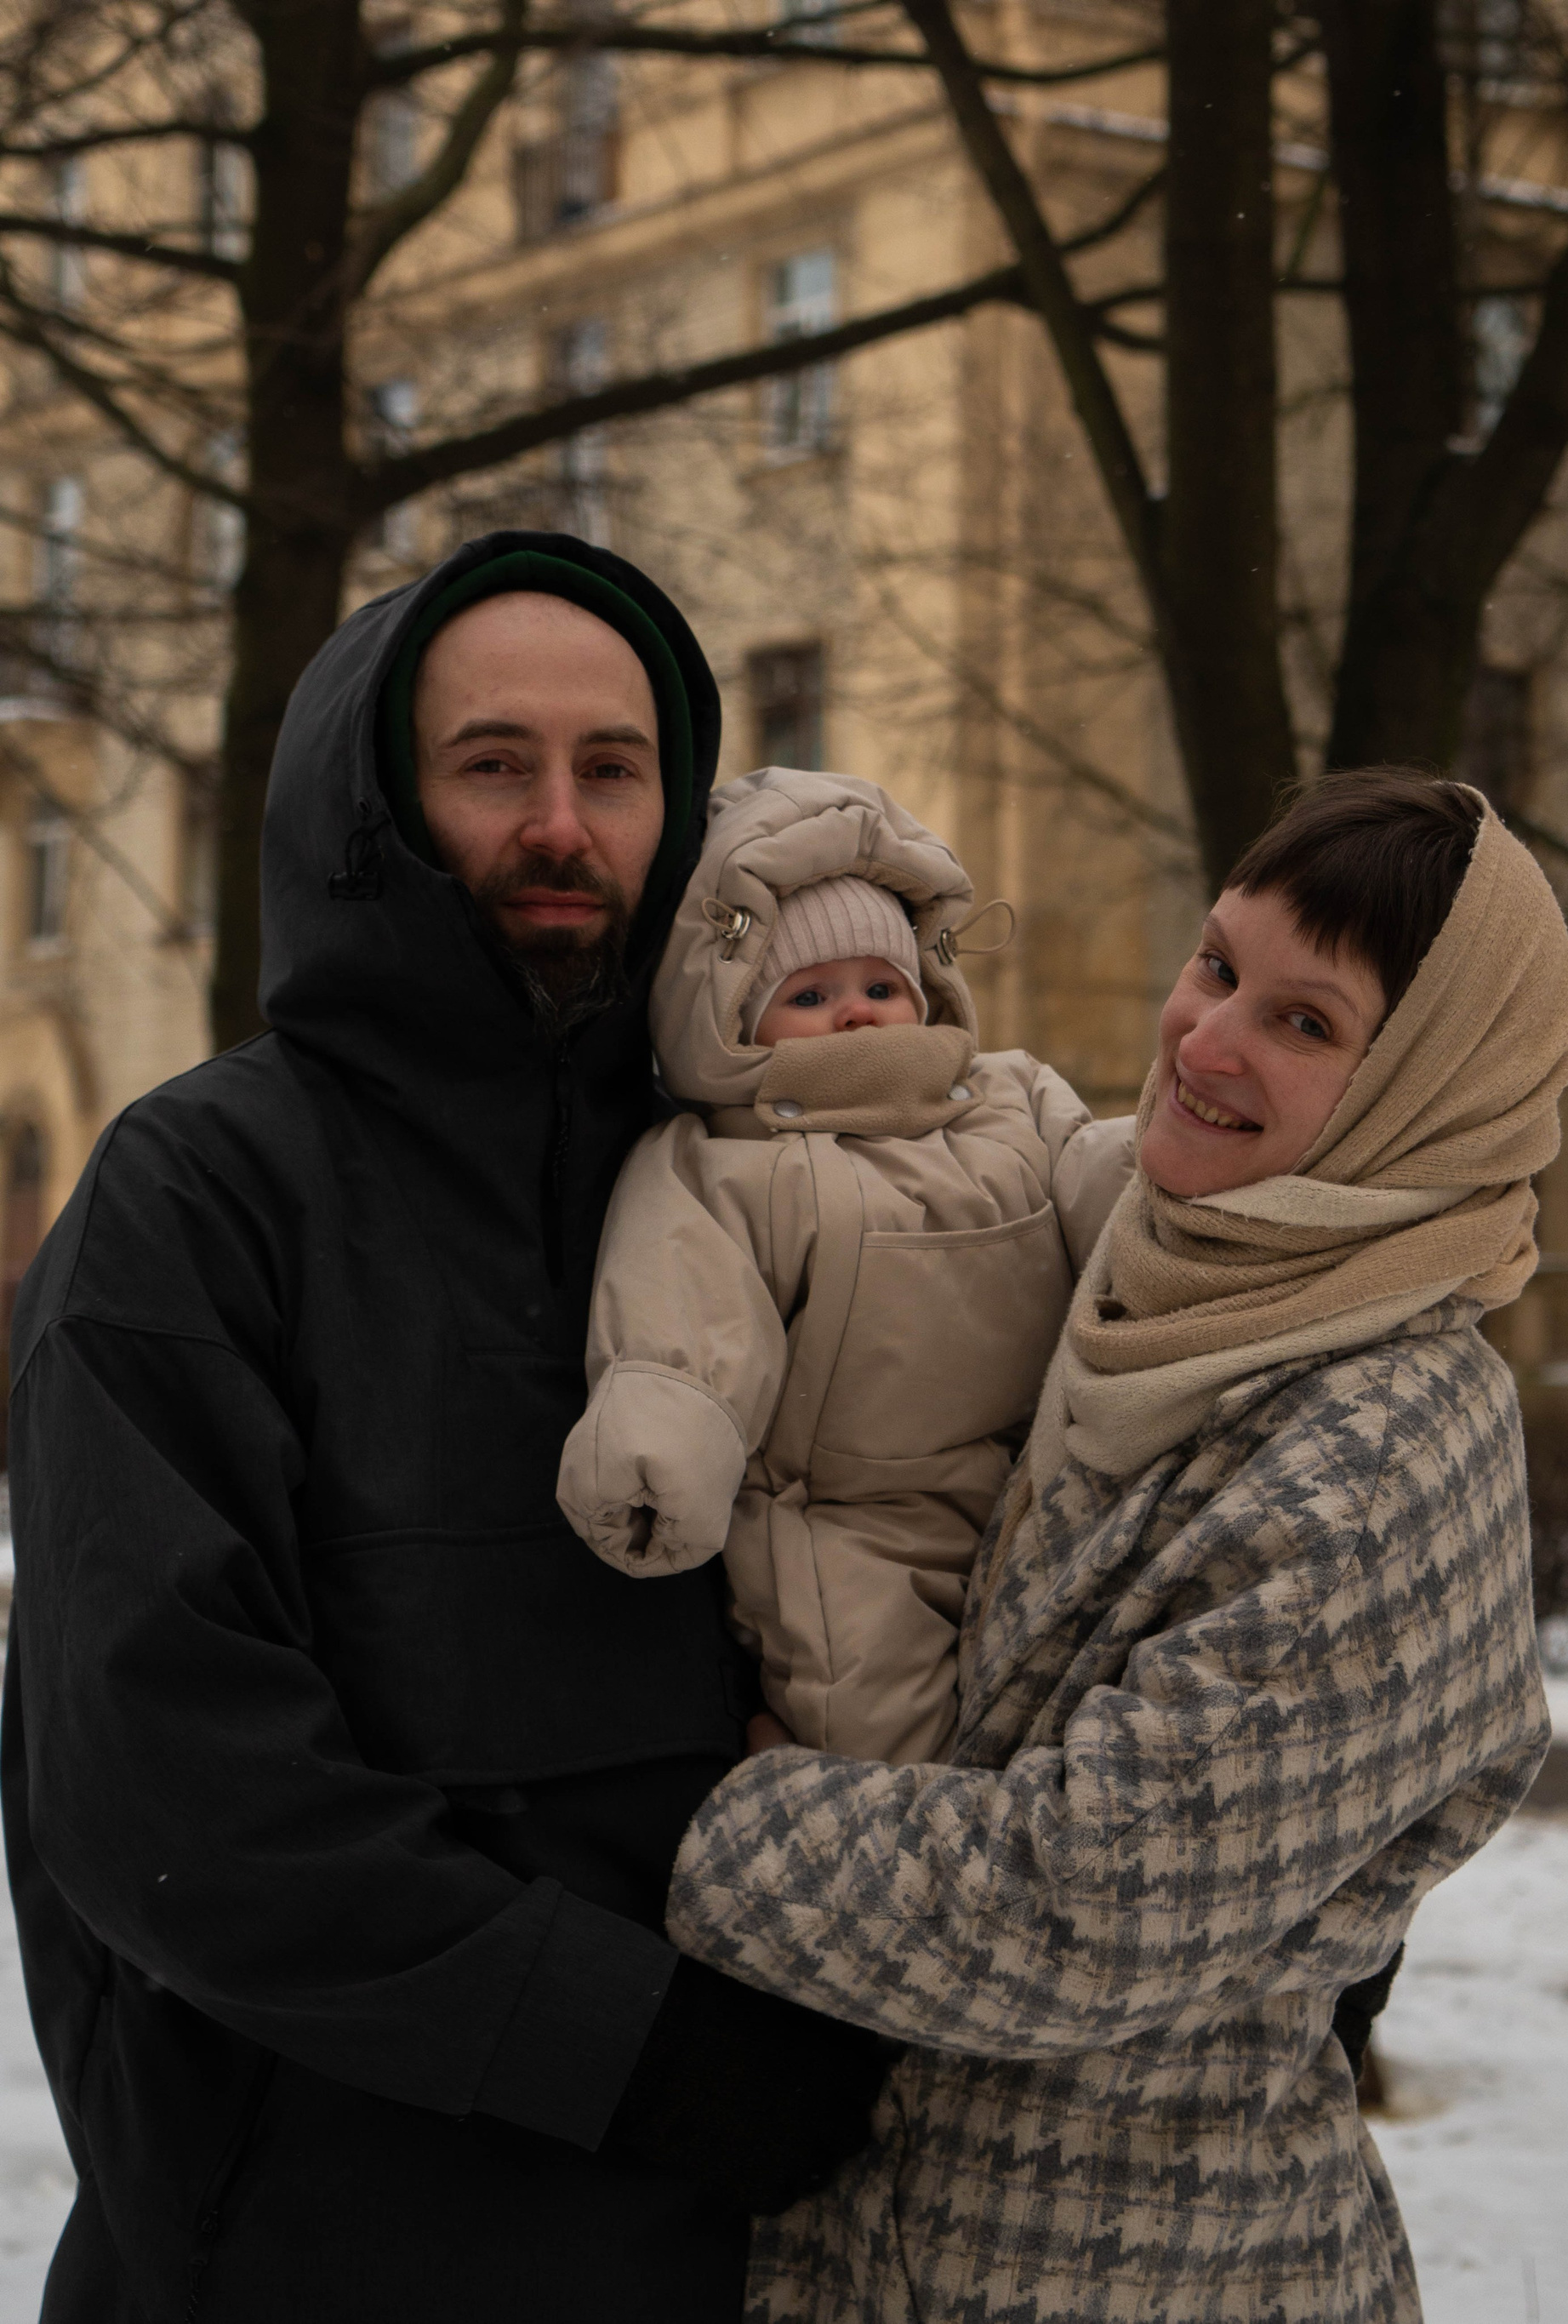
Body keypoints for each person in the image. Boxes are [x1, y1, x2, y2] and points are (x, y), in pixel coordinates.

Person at [1, 535, 885, 2324]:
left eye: (614, 769)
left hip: (728, 2265)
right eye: (494, 765)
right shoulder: (201, 1198)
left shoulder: (775, 1189)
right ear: (374, 809)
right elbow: (169, 1788)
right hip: (296, 2263)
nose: (561, 824)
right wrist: (628, 2045)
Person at [665, 772, 1568, 2324]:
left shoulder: (1392, 1447)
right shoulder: (1136, 1272)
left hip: (1161, 2267)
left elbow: (1075, 1906)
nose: (1206, 1040)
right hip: (874, 2244)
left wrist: (708, 1808)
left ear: (1433, 1093)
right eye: (1217, 963)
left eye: (1307, 1023)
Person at [557, 768, 1135, 1764]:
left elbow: (1098, 1181)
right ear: (732, 1016)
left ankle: (1053, 1828)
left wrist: (1176, 1174)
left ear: (926, 987)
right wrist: (661, 1448)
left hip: (1043, 1471)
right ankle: (886, 1856)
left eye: (880, 986)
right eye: (811, 994)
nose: (857, 1013)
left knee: (1076, 1689)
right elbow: (684, 1312)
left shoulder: (1011, 1097)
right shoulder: (726, 1162)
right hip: (851, 1523)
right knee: (877, 1733)